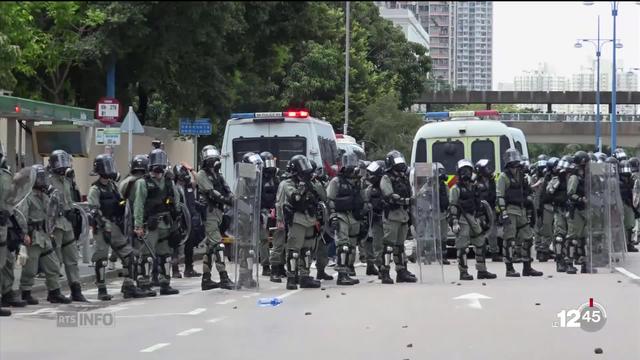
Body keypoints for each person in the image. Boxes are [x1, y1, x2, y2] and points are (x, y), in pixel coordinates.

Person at [88, 154, 146, 300]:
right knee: (101, 259)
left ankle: (129, 286)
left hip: (115, 226)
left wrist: (122, 210)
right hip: (102, 228)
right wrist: (103, 224)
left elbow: (121, 202)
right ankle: (102, 290)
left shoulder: (113, 186)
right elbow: (93, 210)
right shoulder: (95, 189)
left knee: (129, 256)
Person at [16, 164, 72, 305]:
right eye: (40, 178)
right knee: (30, 268)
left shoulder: (46, 196)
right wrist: (24, 235)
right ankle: (25, 292)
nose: (43, 181)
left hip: (45, 235)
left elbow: (51, 214)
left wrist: (51, 230)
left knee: (53, 265)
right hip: (33, 236)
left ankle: (54, 292)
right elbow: (21, 217)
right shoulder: (27, 197)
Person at [132, 148, 180, 295]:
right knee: (146, 256)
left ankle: (165, 283)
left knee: (165, 255)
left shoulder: (168, 182)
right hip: (150, 225)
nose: (158, 170)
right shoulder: (143, 183)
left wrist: (176, 222)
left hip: (165, 223)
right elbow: (138, 205)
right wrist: (138, 225)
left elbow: (176, 202)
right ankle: (144, 284)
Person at [48, 149, 88, 301]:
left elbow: (70, 200)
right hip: (55, 224)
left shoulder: (67, 180)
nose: (62, 166)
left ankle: (76, 290)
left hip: (67, 223)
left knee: (72, 258)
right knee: (55, 260)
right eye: (59, 162)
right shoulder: (47, 180)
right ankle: (54, 291)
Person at [496, 148, 543, 277]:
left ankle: (527, 267)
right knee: (509, 240)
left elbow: (527, 192)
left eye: (517, 160)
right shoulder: (503, 177)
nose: (515, 163)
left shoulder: (521, 175)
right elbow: (499, 196)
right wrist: (503, 213)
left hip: (521, 210)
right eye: (513, 160)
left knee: (528, 238)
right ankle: (509, 268)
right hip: (510, 210)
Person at [277, 155, 322, 290]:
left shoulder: (311, 182)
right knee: (294, 250)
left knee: (307, 250)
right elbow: (295, 197)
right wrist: (303, 186)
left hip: (310, 219)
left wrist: (315, 183)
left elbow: (322, 196)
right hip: (297, 219)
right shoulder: (287, 183)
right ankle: (291, 278)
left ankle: (305, 276)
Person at [449, 159, 497, 281]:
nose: (466, 173)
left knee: (480, 243)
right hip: (462, 219)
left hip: (474, 219)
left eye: (468, 170)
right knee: (462, 247)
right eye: (463, 171)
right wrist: (454, 222)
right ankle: (463, 272)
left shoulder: (474, 187)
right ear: (459, 173)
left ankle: (482, 270)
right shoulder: (455, 188)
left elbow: (479, 205)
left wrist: (482, 219)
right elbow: (453, 205)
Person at [196, 146, 234, 290]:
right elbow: (211, 192)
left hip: (219, 213)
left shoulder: (218, 174)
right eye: (210, 158)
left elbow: (226, 189)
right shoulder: (201, 174)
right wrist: (226, 199)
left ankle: (206, 279)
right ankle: (224, 277)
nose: (213, 161)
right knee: (218, 245)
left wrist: (232, 198)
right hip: (209, 213)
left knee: (210, 247)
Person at [379, 150, 417, 284]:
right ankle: (384, 272)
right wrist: (406, 201)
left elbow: (411, 193)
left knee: (400, 246)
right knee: (389, 245)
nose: (400, 166)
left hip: (403, 214)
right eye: (397, 164)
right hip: (392, 215)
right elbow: (389, 195)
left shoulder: (403, 177)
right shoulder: (386, 177)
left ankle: (402, 271)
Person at [327, 153, 364, 286]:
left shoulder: (357, 181)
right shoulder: (336, 181)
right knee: (343, 245)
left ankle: (348, 270)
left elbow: (361, 198)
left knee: (352, 246)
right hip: (341, 214)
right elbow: (329, 200)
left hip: (353, 215)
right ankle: (341, 275)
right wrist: (333, 215)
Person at [174, 163, 204, 277]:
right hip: (177, 219)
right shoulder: (173, 187)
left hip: (189, 219)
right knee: (175, 245)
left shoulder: (189, 186)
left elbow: (198, 180)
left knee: (189, 244)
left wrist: (191, 170)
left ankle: (189, 268)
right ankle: (175, 270)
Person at [546, 156, 576, 273]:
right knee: (560, 236)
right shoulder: (557, 179)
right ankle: (560, 262)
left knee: (571, 237)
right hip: (560, 210)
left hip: (572, 210)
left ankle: (569, 262)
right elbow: (549, 192)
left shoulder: (574, 179)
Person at [566, 151, 592, 273]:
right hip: (576, 210)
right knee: (573, 238)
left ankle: (584, 263)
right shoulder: (574, 177)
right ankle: (569, 263)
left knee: (584, 238)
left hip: (585, 210)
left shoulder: (586, 177)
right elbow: (570, 194)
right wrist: (581, 199)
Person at [308, 159, 333, 281]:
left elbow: (324, 198)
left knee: (322, 245)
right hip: (309, 218)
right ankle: (303, 273)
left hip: (319, 218)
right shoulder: (310, 183)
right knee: (308, 247)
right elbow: (324, 196)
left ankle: (321, 270)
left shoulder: (316, 182)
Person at [474, 159, 501, 262]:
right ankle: (481, 253)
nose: (488, 170)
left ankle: (494, 253)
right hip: (481, 209)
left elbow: (494, 193)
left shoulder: (491, 180)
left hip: (491, 207)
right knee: (480, 232)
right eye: (486, 168)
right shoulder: (475, 181)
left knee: (492, 231)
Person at [364, 160, 387, 279]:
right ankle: (381, 268)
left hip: (388, 220)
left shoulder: (387, 187)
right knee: (378, 246)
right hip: (375, 221)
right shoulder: (369, 190)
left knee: (391, 246)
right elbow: (364, 205)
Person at [259, 152, 279, 277]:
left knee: (279, 238)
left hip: (275, 211)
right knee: (264, 240)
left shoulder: (275, 178)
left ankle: (278, 264)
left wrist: (276, 208)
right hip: (262, 212)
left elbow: (279, 194)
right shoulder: (257, 178)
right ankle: (266, 266)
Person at [531, 155, 554, 262]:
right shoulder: (538, 179)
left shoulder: (547, 179)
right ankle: (541, 248)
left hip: (541, 205)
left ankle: (541, 248)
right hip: (539, 205)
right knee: (543, 227)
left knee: (542, 227)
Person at [619, 160, 639, 252]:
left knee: (630, 225)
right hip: (621, 204)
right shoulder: (618, 180)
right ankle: (623, 244)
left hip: (628, 204)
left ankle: (628, 243)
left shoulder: (631, 179)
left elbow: (634, 192)